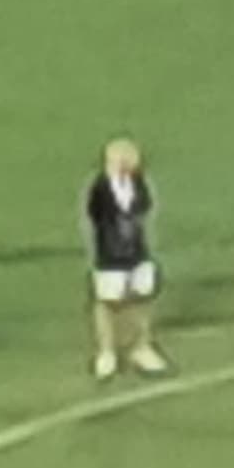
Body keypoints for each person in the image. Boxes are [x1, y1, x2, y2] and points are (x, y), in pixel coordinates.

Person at [83, 139, 169, 380]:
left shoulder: (138, 183)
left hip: (137, 253)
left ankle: (142, 346)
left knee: (141, 299)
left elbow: (144, 206)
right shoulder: (101, 187)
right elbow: (95, 213)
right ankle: (106, 351)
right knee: (107, 303)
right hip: (110, 255)